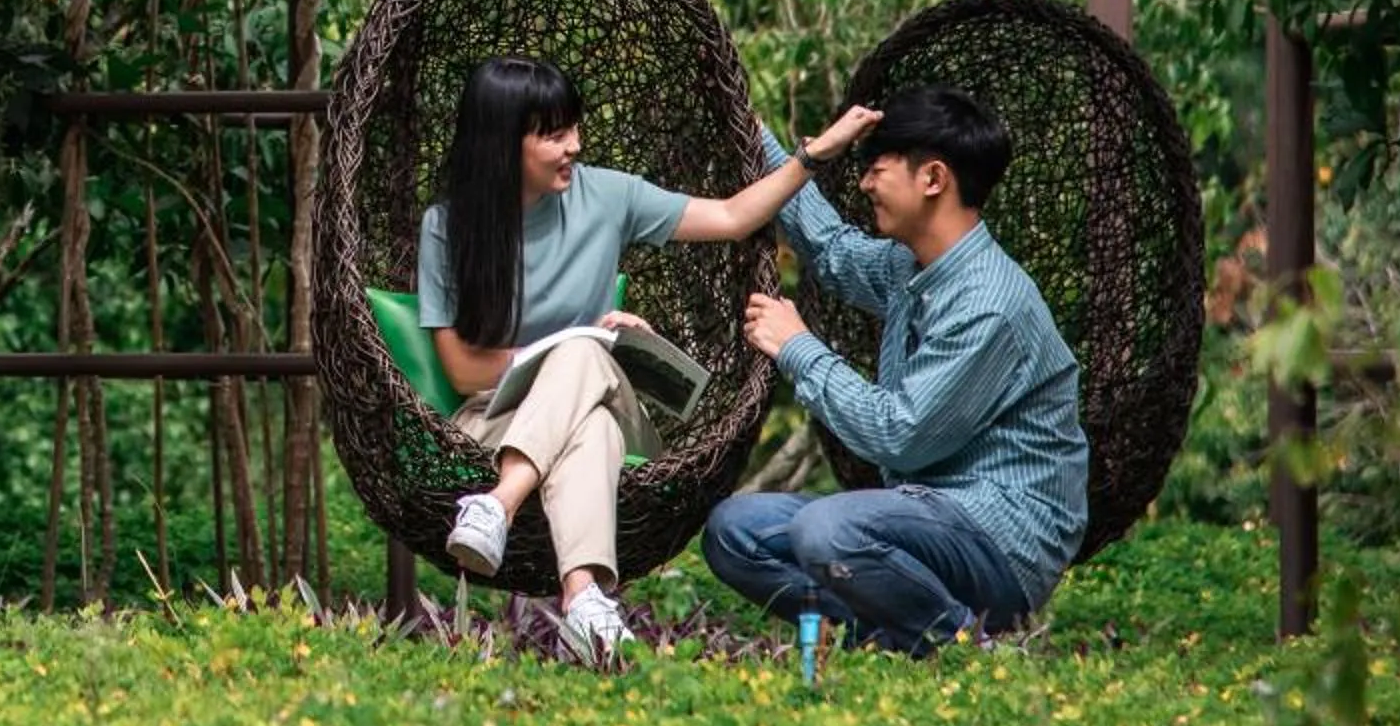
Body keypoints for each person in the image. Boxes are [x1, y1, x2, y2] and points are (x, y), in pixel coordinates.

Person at [418, 56, 865, 662]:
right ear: (501, 143)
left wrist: (811, 157)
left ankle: (498, 506)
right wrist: (559, 349)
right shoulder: (449, 228)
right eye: (553, 134)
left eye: (573, 128)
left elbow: (733, 218)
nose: (574, 146)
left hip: (613, 399)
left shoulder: (606, 195)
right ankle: (586, 604)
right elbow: (464, 374)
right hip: (490, 423)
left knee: (586, 359)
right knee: (587, 411)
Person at [702, 84, 1088, 655]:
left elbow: (899, 434)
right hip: (923, 523)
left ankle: (964, 647)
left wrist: (797, 346)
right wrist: (769, 144)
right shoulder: (914, 267)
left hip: (1000, 544)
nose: (863, 184)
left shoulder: (989, 303)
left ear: (932, 179)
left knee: (827, 532)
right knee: (735, 532)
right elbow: (832, 251)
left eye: (877, 169)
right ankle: (890, 632)